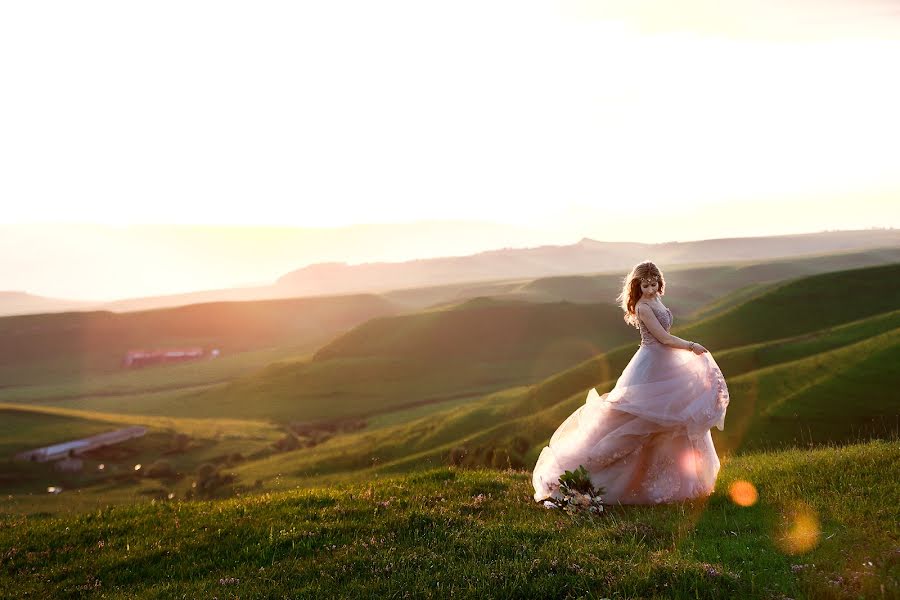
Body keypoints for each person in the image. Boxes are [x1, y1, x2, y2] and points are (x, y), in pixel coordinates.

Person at [532, 260, 730, 505]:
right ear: (638, 286)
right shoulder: (643, 307)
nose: (649, 288)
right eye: (645, 284)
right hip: (650, 365)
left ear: (659, 283)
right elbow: (664, 338)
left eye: (654, 283)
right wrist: (691, 346)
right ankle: (625, 484)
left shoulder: (656, 300)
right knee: (641, 421)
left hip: (665, 363)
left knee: (673, 420)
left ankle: (682, 483)